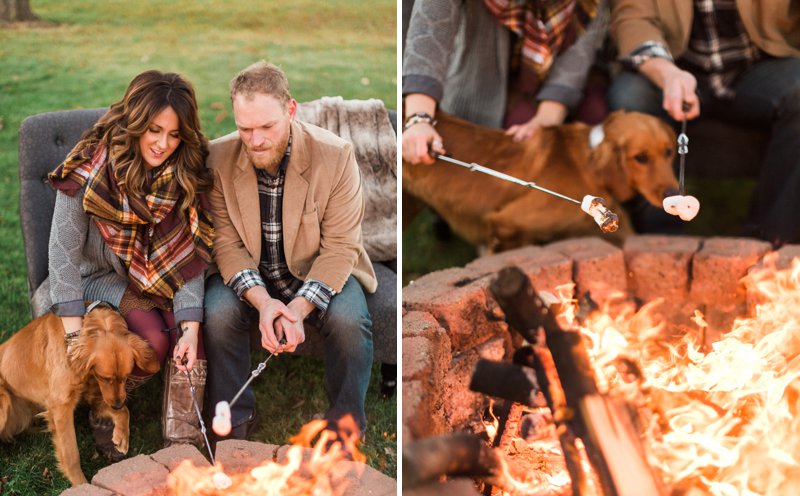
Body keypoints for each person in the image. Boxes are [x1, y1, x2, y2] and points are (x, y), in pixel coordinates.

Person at [203, 61, 376, 441]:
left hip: (318, 269)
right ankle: (234, 424)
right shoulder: (217, 159)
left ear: (291, 110)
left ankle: (345, 429)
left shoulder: (336, 155)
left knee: (350, 322)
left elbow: (340, 247)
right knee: (216, 312)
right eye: (245, 128)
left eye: (267, 127)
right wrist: (264, 303)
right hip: (251, 274)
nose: (256, 140)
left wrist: (297, 310)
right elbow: (225, 244)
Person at [47, 70, 214, 455]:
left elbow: (188, 258)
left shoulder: (185, 173)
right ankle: (104, 411)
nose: (162, 144)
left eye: (174, 135)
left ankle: (182, 441)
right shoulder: (89, 166)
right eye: (154, 130)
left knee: (187, 336)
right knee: (153, 339)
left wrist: (189, 327)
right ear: (135, 122)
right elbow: (62, 253)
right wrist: (73, 335)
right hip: (98, 279)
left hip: (156, 277)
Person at [608, 0, 800, 244]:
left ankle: (769, 242)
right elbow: (633, 19)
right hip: (675, 70)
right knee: (630, 95)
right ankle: (662, 241)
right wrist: (667, 74)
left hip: (760, 67)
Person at [402, 0, 608, 165]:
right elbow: (430, 33)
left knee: (594, 116)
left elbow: (578, 55)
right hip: (481, 81)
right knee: (517, 144)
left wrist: (547, 118)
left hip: (558, 81)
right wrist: (419, 119)